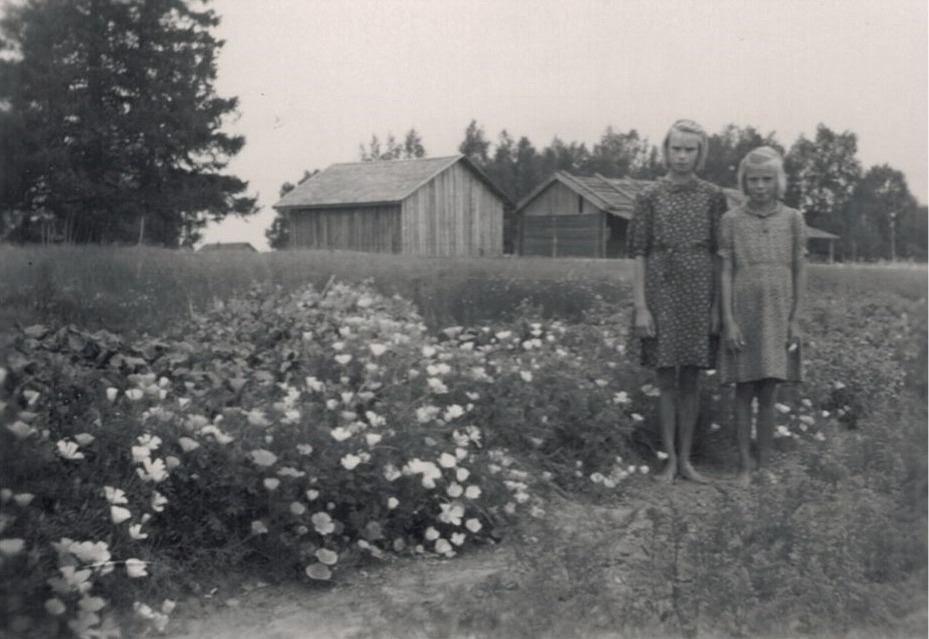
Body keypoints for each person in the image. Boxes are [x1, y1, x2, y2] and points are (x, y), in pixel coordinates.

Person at [628, 119, 728, 484]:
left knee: (692, 381)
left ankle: (687, 459)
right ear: (666, 150)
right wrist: (641, 306)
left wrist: (718, 307)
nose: (682, 156)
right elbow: (639, 252)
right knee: (666, 378)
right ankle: (668, 459)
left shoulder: (713, 196)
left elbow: (721, 255)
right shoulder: (649, 196)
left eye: (690, 149)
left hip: (700, 291)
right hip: (661, 290)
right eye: (677, 148)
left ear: (700, 153)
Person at [717, 146, 806, 487]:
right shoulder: (731, 220)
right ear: (743, 182)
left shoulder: (793, 219)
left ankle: (765, 466)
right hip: (743, 311)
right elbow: (725, 271)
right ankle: (743, 466)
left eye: (767, 179)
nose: (759, 186)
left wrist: (796, 317)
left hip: (779, 311)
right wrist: (729, 320)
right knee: (743, 391)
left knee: (769, 392)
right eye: (753, 180)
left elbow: (800, 268)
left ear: (778, 181)